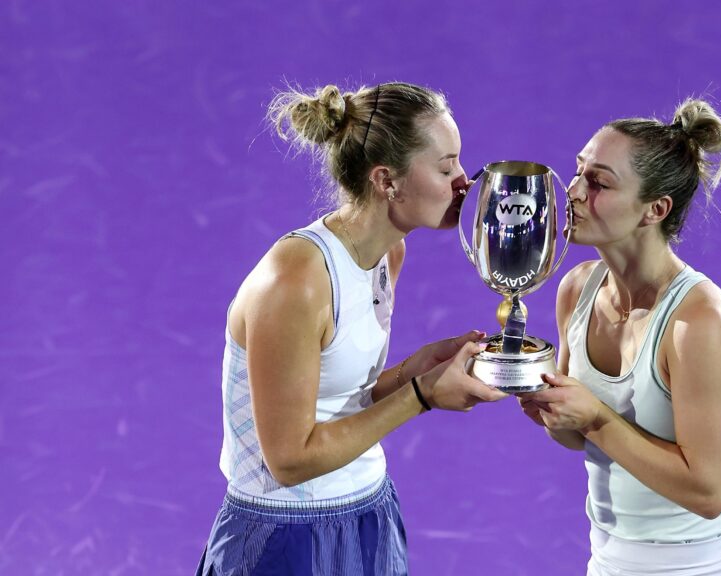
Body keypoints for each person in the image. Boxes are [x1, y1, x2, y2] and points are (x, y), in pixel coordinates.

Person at [196, 82, 506, 576]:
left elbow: (338, 401)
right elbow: (290, 459)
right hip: (282, 537)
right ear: (387, 180)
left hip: (370, 516)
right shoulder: (295, 282)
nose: (464, 182)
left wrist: (412, 371)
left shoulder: (389, 254)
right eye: (445, 167)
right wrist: (421, 396)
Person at [519, 99, 721, 575]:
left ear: (654, 210)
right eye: (577, 172)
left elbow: (708, 491)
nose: (572, 191)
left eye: (599, 182)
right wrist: (558, 417)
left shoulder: (699, 324)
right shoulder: (576, 289)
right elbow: (588, 443)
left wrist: (594, 417)